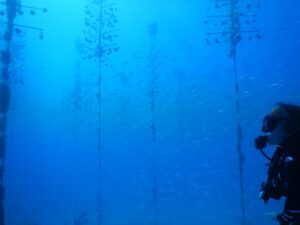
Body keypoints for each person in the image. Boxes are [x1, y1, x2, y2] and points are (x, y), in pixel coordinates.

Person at [255, 103, 300, 225]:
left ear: (288, 124)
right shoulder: (285, 150)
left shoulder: (295, 158)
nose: (265, 131)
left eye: (270, 124)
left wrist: (284, 218)